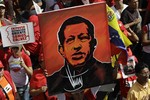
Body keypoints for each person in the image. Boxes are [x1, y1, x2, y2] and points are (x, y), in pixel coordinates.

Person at [47, 16, 114, 95]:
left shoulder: (106, 72)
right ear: (61, 49)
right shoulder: (54, 81)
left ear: (93, 43)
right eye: (70, 40)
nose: (76, 46)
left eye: (83, 38)